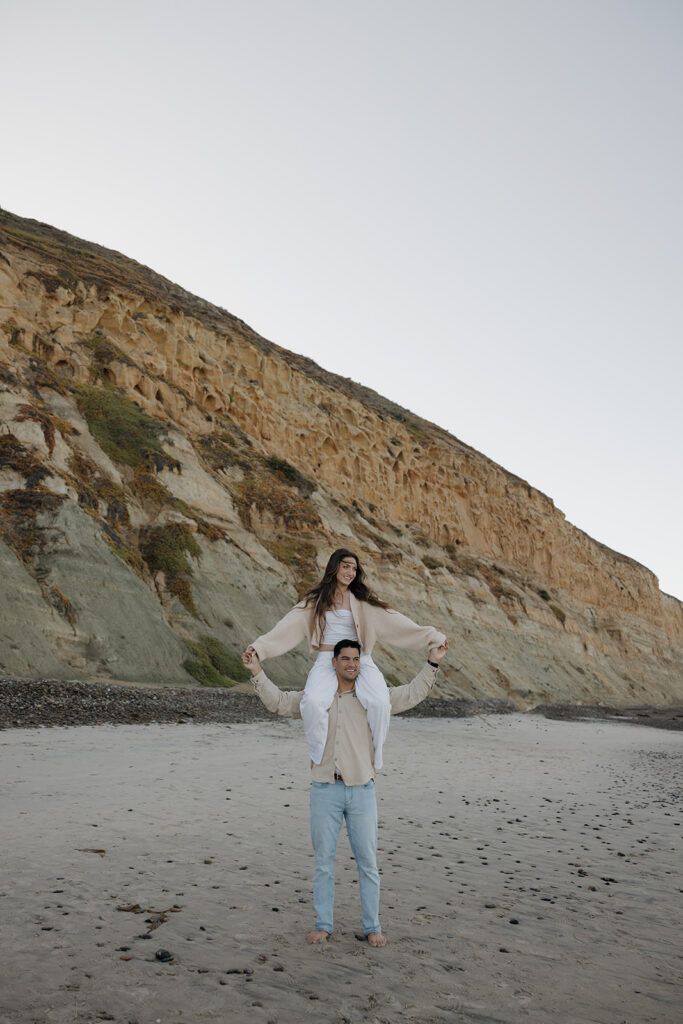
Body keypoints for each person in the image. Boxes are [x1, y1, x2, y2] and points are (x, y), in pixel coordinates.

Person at [242, 636, 449, 946]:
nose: (351, 663)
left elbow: (410, 694)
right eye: (346, 659)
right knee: (323, 862)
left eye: (356, 659)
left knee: (368, 863)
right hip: (325, 790)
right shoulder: (316, 698)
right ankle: (323, 924)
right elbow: (280, 702)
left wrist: (432, 663)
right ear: (333, 662)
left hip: (362, 791)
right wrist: (257, 671)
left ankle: (373, 927)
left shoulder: (373, 698)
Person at [243, 548, 446, 771]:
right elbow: (285, 627)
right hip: (326, 659)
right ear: (335, 566)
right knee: (312, 703)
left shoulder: (363, 601)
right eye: (346, 566)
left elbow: (398, 623)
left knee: (379, 702)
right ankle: (317, 755)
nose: (350, 571)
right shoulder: (316, 600)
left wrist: (432, 638)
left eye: (354, 568)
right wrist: (259, 649)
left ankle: (376, 755)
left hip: (360, 659)